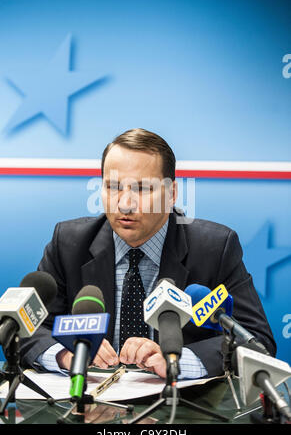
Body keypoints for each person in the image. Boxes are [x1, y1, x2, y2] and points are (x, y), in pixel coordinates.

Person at [19, 128, 276, 379]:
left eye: (142, 189)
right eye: (113, 187)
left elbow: (257, 341)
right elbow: (24, 329)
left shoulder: (215, 248)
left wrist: (179, 361)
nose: (125, 203)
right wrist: (66, 356)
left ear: (172, 193)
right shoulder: (68, 242)